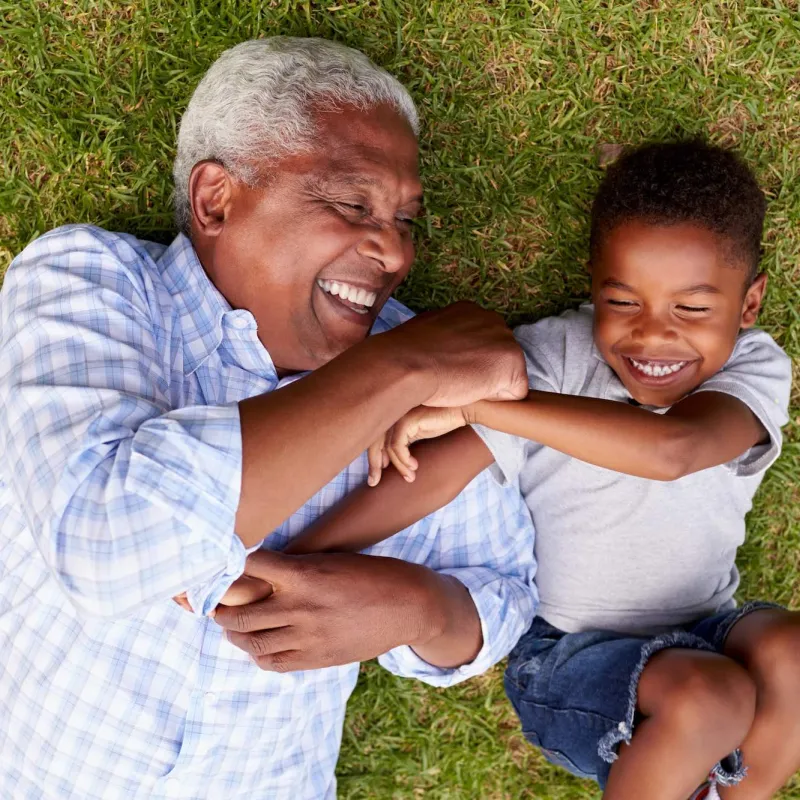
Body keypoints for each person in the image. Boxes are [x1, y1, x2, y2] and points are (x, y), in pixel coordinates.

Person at [0, 38, 538, 799]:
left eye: (405, 219)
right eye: (353, 205)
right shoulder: (90, 282)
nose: (392, 251)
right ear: (216, 198)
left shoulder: (423, 373)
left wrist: (415, 608)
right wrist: (395, 370)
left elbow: (503, 593)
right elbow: (105, 544)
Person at [282, 142, 798, 800]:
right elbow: (438, 472)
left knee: (790, 652)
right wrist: (304, 556)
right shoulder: (553, 355)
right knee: (712, 695)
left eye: (692, 310)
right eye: (623, 302)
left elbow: (676, 451)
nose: (652, 338)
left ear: (748, 305)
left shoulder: (751, 368)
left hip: (709, 626)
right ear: (593, 283)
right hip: (568, 659)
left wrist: (485, 405)